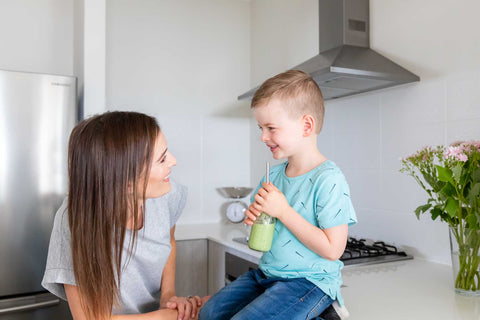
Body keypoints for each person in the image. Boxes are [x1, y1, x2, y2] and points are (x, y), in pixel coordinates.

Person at [199, 70, 357, 320]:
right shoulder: (273, 176)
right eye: (261, 128)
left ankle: (325, 312)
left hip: (309, 283)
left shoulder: (329, 179)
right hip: (267, 274)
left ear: (306, 126)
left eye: (271, 128)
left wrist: (283, 211)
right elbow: (263, 235)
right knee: (209, 313)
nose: (263, 136)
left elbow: (333, 250)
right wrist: (253, 218)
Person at [42, 111, 205, 320]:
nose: (173, 161)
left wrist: (168, 295)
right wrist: (168, 317)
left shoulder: (169, 195)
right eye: (162, 159)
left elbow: (169, 240)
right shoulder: (73, 219)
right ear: (126, 182)